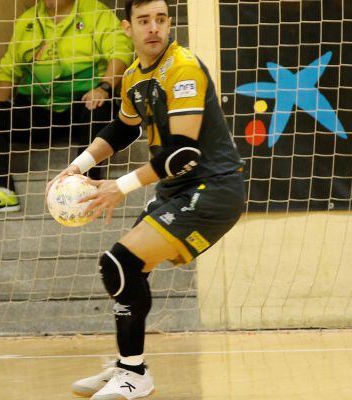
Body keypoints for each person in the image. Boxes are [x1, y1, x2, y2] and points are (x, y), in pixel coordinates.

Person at [48, 0, 245, 397]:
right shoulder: (135, 75)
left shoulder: (183, 68)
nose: (154, 28)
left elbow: (184, 153)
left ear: (170, 23)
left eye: (161, 19)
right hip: (178, 189)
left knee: (119, 262)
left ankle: (134, 374)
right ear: (128, 28)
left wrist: (118, 187)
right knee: (120, 270)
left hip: (214, 188)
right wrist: (77, 167)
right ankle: (127, 365)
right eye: (144, 21)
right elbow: (123, 128)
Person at [0, 0, 134, 212]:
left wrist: (104, 87)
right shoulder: (27, 20)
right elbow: (8, 69)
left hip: (82, 104)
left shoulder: (95, 11)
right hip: (37, 109)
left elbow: (121, 51)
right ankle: (1, 192)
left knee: (102, 108)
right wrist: (1, 106)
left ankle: (84, 187)